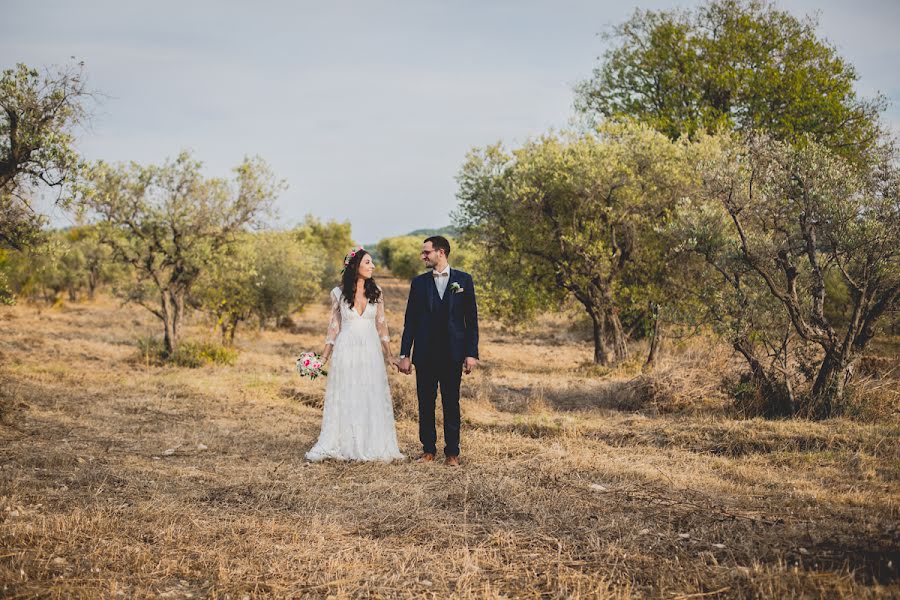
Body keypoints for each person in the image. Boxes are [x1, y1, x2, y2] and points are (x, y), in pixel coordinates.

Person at [305, 247, 405, 462]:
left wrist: (390, 356)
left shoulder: (376, 291)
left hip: (370, 351)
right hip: (346, 349)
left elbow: (382, 326)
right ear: (355, 266)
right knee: (347, 392)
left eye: (372, 262)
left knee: (370, 392)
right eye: (368, 262)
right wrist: (322, 358)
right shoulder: (338, 293)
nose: (373, 266)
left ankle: (371, 442)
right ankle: (345, 441)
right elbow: (334, 327)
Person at [397, 236, 479, 467]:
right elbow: (410, 321)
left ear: (440, 252)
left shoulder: (464, 280)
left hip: (453, 354)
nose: (423, 256)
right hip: (424, 354)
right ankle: (428, 450)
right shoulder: (419, 283)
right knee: (425, 403)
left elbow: (471, 321)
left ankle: (452, 453)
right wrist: (405, 354)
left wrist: (471, 353)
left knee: (451, 403)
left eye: (426, 252)